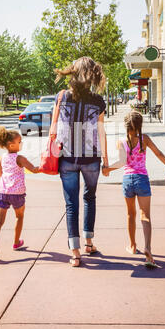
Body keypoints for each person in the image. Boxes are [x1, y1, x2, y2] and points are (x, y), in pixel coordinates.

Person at [103, 110, 165, 268]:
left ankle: (132, 246)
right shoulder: (145, 139)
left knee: (131, 214)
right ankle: (148, 249)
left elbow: (122, 162)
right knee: (146, 216)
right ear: (139, 125)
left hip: (128, 180)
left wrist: (108, 169)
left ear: (126, 126)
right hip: (142, 179)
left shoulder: (121, 141)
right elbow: (159, 153)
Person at [53, 56, 109, 267]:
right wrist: (106, 159)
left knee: (71, 204)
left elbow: (54, 129)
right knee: (89, 198)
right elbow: (101, 132)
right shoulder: (98, 101)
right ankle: (88, 242)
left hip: (67, 158)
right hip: (91, 158)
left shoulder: (62, 97)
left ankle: (75, 253)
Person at [0, 125, 39, 260]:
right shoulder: (20, 158)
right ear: (11, 145)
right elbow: (34, 169)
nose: (21, 143)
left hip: (2, 191)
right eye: (19, 142)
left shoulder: (3, 157)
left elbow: (0, 173)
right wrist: (47, 166)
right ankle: (16, 243)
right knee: (19, 216)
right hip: (17, 193)